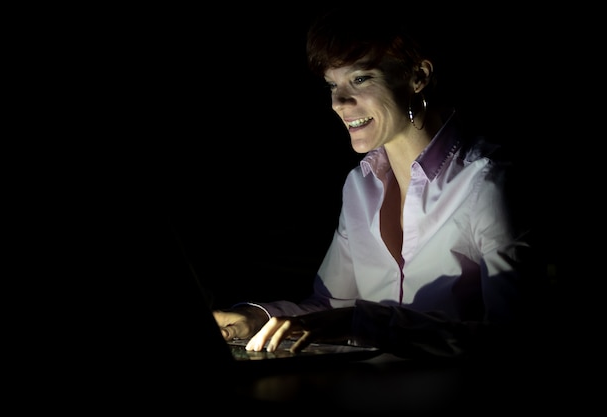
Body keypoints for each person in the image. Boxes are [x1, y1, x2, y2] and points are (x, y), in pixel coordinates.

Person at [212, 7, 543, 360]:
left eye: (360, 79)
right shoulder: (359, 187)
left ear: (418, 76)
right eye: (332, 85)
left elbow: (516, 338)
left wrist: (365, 323)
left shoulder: (487, 184)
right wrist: (256, 318)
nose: (339, 102)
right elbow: (330, 307)